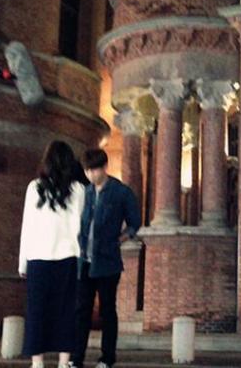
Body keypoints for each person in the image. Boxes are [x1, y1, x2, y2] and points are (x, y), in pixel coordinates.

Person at [71, 149, 141, 368]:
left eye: (94, 170)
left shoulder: (121, 192)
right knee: (81, 310)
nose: (90, 175)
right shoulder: (85, 192)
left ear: (104, 167)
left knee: (107, 310)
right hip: (84, 260)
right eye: (87, 171)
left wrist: (119, 240)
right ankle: (76, 358)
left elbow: (134, 222)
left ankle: (107, 358)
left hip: (108, 262)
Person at [18, 141, 86, 368]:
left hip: (38, 257)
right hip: (67, 257)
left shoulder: (34, 188)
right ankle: (63, 362)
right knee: (66, 311)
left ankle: (37, 362)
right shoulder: (78, 190)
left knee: (36, 311)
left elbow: (27, 227)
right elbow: (79, 226)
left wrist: (22, 263)